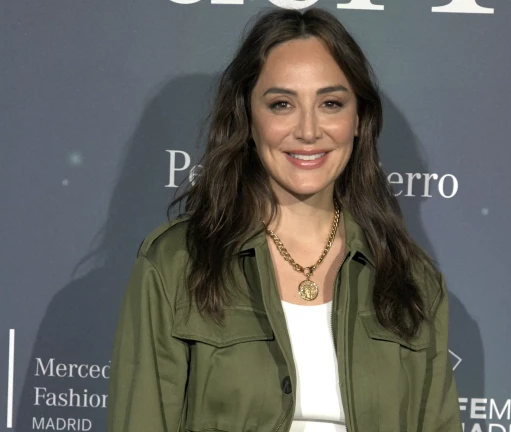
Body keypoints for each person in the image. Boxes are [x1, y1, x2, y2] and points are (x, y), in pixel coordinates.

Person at [106, 7, 461, 432]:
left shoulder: (412, 280)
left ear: (359, 120)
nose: (308, 130)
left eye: (331, 103)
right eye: (281, 104)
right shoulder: (176, 264)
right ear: (248, 118)